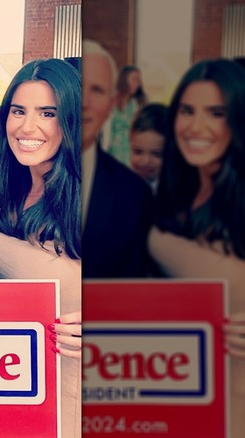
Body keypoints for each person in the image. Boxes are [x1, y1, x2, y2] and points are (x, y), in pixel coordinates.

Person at [0, 58, 82, 438]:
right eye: (18, 111)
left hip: (78, 389)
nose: (27, 126)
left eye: (47, 113)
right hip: (12, 381)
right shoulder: (5, 188)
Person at [148, 59, 245, 437]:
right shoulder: (173, 190)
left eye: (216, 113)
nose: (196, 127)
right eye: (187, 111)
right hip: (176, 387)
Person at [81, 40, 153, 278]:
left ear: (111, 104)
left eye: (97, 90)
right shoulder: (21, 174)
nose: (84, 103)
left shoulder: (135, 194)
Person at [108, 65, 147, 166]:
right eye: (134, 79)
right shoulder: (111, 102)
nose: (137, 84)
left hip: (130, 153)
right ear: (124, 80)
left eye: (138, 80)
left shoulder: (137, 104)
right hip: (112, 152)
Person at [129, 103, 168, 193]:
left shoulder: (173, 192)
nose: (146, 161)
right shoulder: (123, 186)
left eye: (156, 154)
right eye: (138, 152)